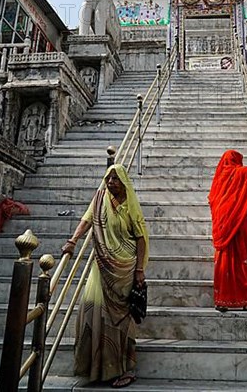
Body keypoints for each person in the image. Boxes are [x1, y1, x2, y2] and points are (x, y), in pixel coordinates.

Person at [61, 163, 149, 389]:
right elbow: (87, 220)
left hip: (125, 268)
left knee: (120, 320)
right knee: (91, 309)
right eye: (108, 179)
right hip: (101, 265)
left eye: (115, 179)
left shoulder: (131, 204)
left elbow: (141, 238)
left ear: (123, 182)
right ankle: (95, 367)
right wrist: (73, 241)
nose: (111, 183)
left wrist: (140, 269)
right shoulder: (99, 199)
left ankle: (125, 369)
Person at [208, 150, 247, 312]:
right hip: (242, 224)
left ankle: (221, 301)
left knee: (224, 261)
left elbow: (212, 199)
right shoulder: (245, 172)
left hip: (223, 225)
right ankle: (246, 302)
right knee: (244, 258)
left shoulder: (219, 178)